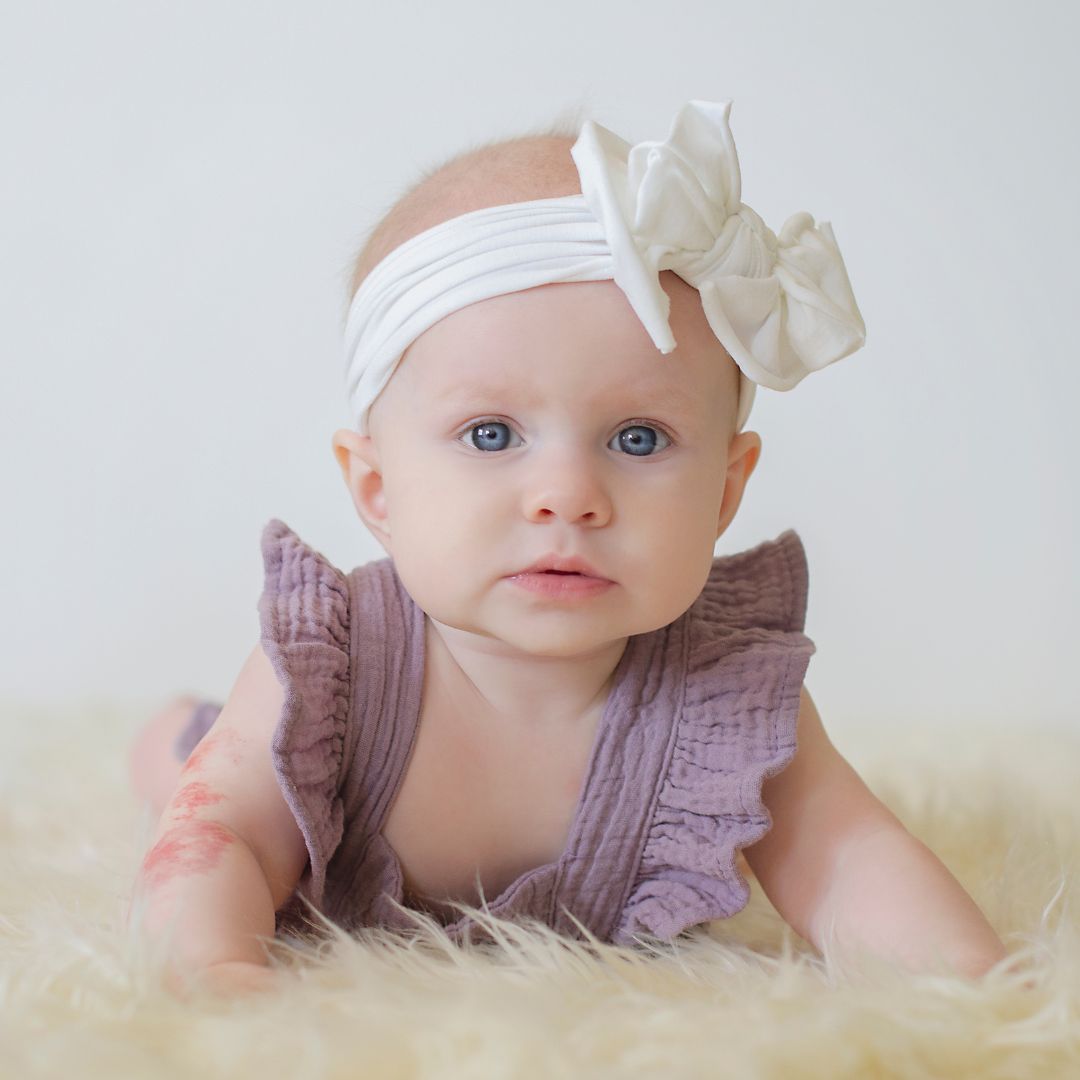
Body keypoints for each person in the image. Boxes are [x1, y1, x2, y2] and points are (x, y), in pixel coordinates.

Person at [125, 99, 1008, 997]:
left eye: (637, 439)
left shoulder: (724, 700)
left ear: (725, 493)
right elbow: (222, 833)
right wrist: (214, 967)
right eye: (491, 434)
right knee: (194, 773)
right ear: (378, 490)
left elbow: (848, 853)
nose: (568, 497)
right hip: (270, 765)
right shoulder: (330, 667)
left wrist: (975, 986)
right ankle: (172, 731)